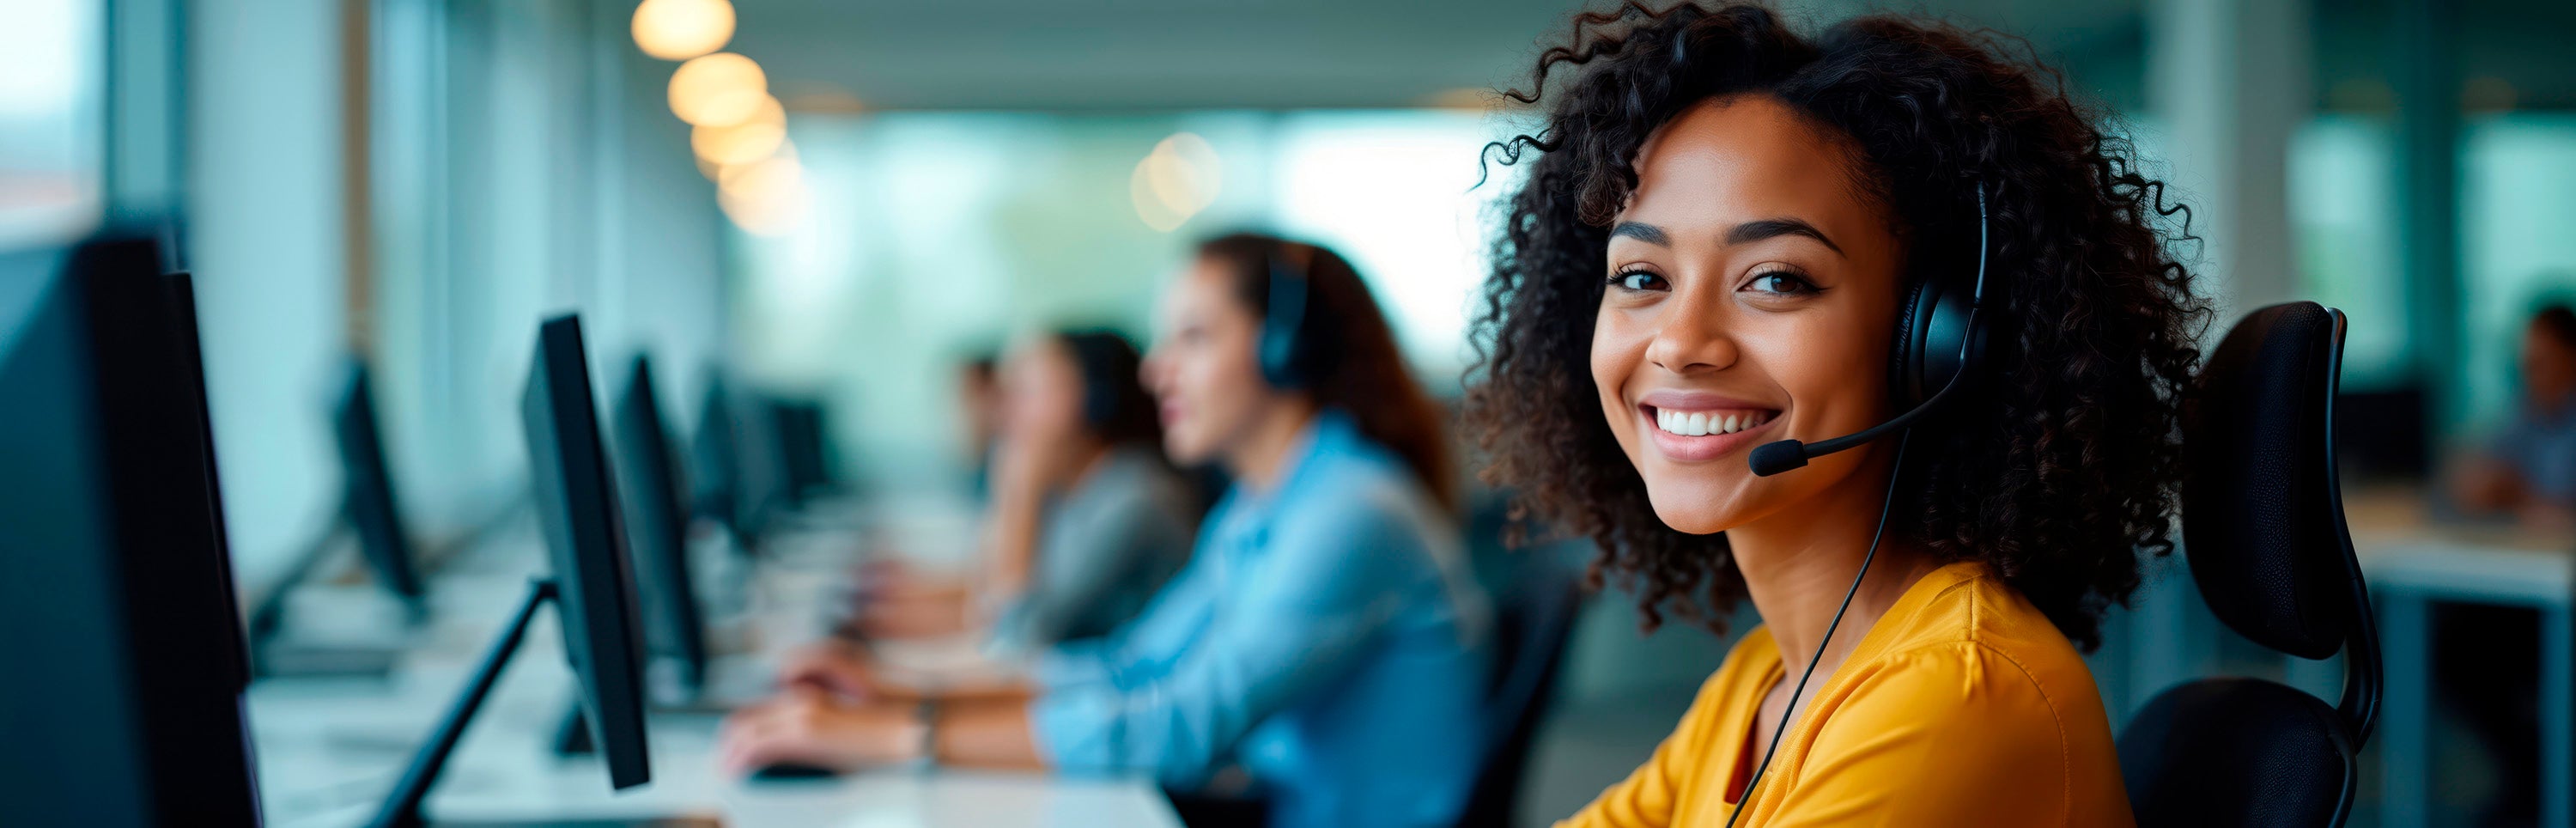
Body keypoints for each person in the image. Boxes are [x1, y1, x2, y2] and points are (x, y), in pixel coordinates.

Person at [1466, 4, 2207, 825]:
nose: (1679, 343)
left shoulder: (1957, 696)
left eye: (1777, 279)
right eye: (1642, 275)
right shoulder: (1764, 684)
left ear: (1937, 340)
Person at [720, 234, 1493, 828]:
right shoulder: (1264, 507)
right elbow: (1133, 667)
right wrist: (901, 694)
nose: (1156, 369)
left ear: (1283, 354)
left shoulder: (1350, 512)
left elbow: (1184, 726)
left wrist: (891, 736)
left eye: (1193, 337)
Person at [854, 330, 1200, 648]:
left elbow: (1016, 640)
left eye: (1028, 392)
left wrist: (1020, 496)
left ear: (1096, 401)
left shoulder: (1135, 501)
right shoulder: (1080, 493)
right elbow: (987, 598)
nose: (1005, 412)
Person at [2452, 303, 2576, 527]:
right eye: (2526, 366)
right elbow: (2472, 481)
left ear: (2570, 357)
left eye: (2539, 364)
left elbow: (2563, 514)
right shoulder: (2526, 414)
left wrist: (2517, 495)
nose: (2529, 377)